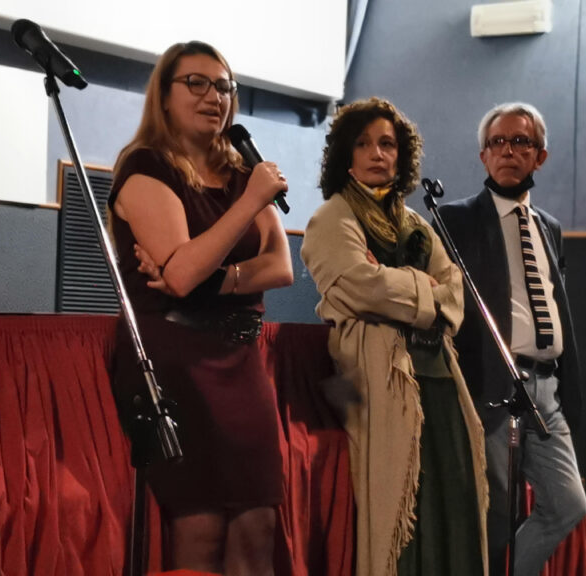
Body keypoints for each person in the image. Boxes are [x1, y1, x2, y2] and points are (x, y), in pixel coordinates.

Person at [107, 41, 292, 575]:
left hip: (241, 360)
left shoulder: (242, 170)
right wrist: (250, 204)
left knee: (257, 525)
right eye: (197, 83)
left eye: (224, 87)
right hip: (174, 359)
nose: (215, 96)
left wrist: (221, 277)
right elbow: (182, 275)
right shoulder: (146, 167)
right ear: (164, 96)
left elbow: (281, 267)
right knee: (201, 527)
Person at [301, 97, 489, 576]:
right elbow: (362, 286)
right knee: (400, 513)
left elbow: (455, 293)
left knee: (453, 504)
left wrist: (403, 287)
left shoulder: (416, 223)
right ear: (346, 153)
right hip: (379, 379)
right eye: (364, 143)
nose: (377, 153)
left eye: (387, 144)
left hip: (439, 377)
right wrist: (421, 287)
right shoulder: (332, 218)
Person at [437, 102, 586, 575]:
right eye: (497, 142)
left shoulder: (549, 228)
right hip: (491, 383)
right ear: (483, 155)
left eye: (521, 141)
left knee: (568, 503)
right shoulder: (454, 219)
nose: (508, 150)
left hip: (546, 388)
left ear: (540, 156)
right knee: (495, 510)